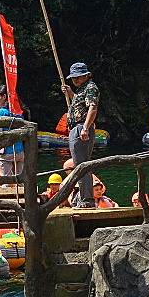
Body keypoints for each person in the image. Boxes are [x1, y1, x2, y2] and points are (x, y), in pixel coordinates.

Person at [62, 62, 99, 208]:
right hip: (77, 128)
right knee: (81, 164)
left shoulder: (90, 87)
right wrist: (70, 93)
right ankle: (84, 198)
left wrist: (85, 128)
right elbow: (80, 104)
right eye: (73, 78)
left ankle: (87, 200)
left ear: (86, 75)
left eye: (78, 77)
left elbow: (92, 108)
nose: (75, 80)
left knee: (81, 165)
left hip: (81, 128)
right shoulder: (82, 89)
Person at [0, 84, 24, 179]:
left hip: (7, 151)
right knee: (20, 180)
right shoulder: (19, 112)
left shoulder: (1, 112)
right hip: (20, 151)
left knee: (6, 181)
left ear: (4, 97)